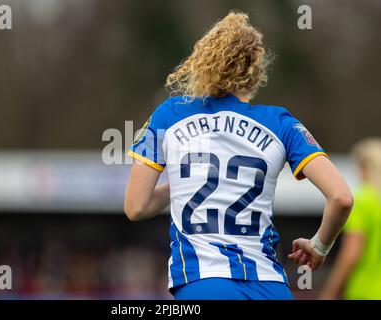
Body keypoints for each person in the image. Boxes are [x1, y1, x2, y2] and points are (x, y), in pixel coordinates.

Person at [124, 11, 353, 300]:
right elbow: (341, 197)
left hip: (203, 283)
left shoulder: (168, 115)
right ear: (255, 69)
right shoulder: (281, 122)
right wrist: (320, 247)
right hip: (270, 286)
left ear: (203, 62)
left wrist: (189, 180)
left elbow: (136, 206)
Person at [320, 138, 381, 300]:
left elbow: (351, 254)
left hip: (365, 291)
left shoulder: (364, 200)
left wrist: (329, 293)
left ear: (364, 166)